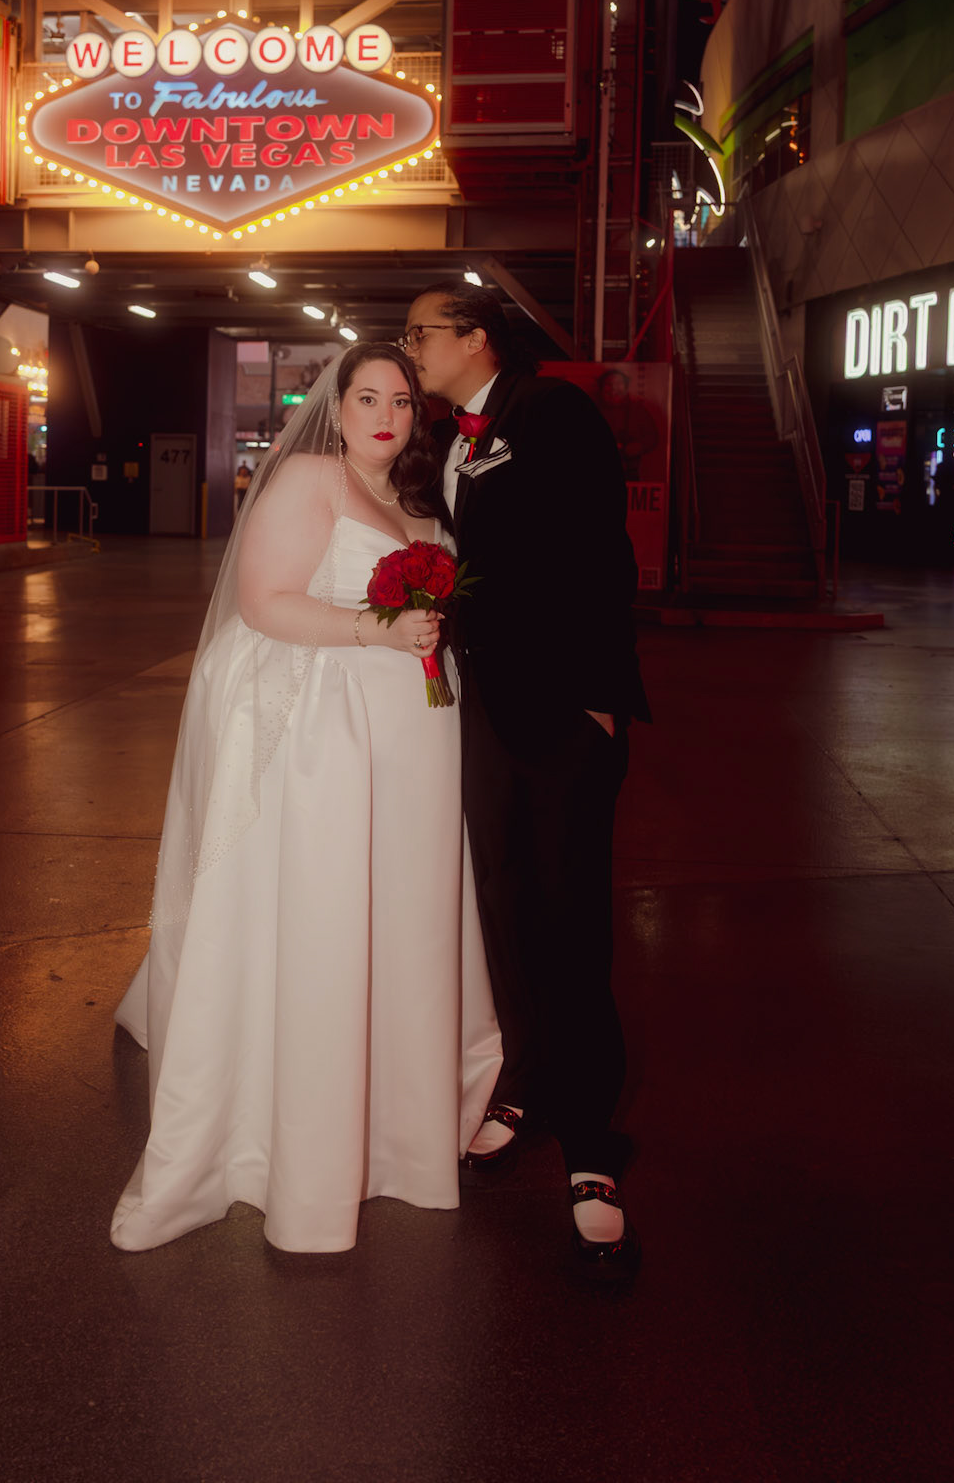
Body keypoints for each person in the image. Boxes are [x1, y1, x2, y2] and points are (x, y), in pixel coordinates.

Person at [111, 343, 501, 1253]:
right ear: (336, 405)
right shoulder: (309, 479)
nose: (385, 417)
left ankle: (395, 1118)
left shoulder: (417, 496)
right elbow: (263, 603)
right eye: (367, 398)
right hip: (327, 730)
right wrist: (377, 631)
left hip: (408, 736)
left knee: (400, 912)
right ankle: (293, 1133)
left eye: (400, 402)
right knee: (325, 910)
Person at [403, 281, 649, 1281]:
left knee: (569, 919)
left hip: (558, 716)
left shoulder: (551, 412)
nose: (410, 347)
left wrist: (597, 700)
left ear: (476, 336)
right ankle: (529, 1080)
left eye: (422, 332)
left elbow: (602, 555)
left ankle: (591, 1144)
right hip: (480, 716)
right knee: (504, 909)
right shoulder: (447, 440)